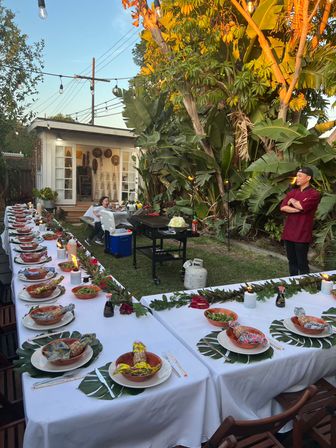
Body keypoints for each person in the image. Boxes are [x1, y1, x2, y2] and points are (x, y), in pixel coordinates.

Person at [280, 167, 320, 276]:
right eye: (297, 175)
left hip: (302, 234)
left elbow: (302, 206)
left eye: (299, 176)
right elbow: (283, 207)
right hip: (289, 233)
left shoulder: (314, 194)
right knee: (292, 261)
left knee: (302, 262)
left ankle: (305, 284)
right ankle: (293, 282)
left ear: (308, 178)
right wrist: (298, 209)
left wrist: (293, 201)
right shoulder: (292, 192)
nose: (297, 178)